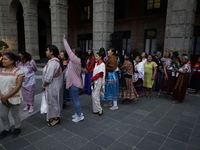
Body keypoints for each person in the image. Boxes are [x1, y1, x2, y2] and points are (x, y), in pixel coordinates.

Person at [0, 52, 24, 139]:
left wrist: (6, 96)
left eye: (5, 59)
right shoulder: (1, 70)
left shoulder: (19, 72)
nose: (3, 61)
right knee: (2, 115)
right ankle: (7, 129)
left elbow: (18, 86)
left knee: (15, 114)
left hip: (14, 97)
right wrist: (2, 96)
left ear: (12, 61)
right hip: (3, 98)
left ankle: (18, 127)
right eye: (2, 59)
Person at [63, 34, 85, 122]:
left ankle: (80, 115)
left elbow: (68, 50)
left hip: (74, 83)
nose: (71, 52)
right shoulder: (75, 60)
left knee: (75, 100)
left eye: (73, 52)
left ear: (75, 54)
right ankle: (78, 113)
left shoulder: (76, 60)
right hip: (74, 83)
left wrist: (64, 40)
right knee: (75, 99)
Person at [42, 45, 63, 126]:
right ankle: (53, 116)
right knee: (53, 102)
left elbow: (48, 78)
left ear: (51, 52)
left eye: (47, 50)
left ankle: (56, 118)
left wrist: (44, 85)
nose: (46, 52)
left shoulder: (53, 63)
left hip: (53, 86)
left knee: (54, 102)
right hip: (53, 86)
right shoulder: (52, 61)